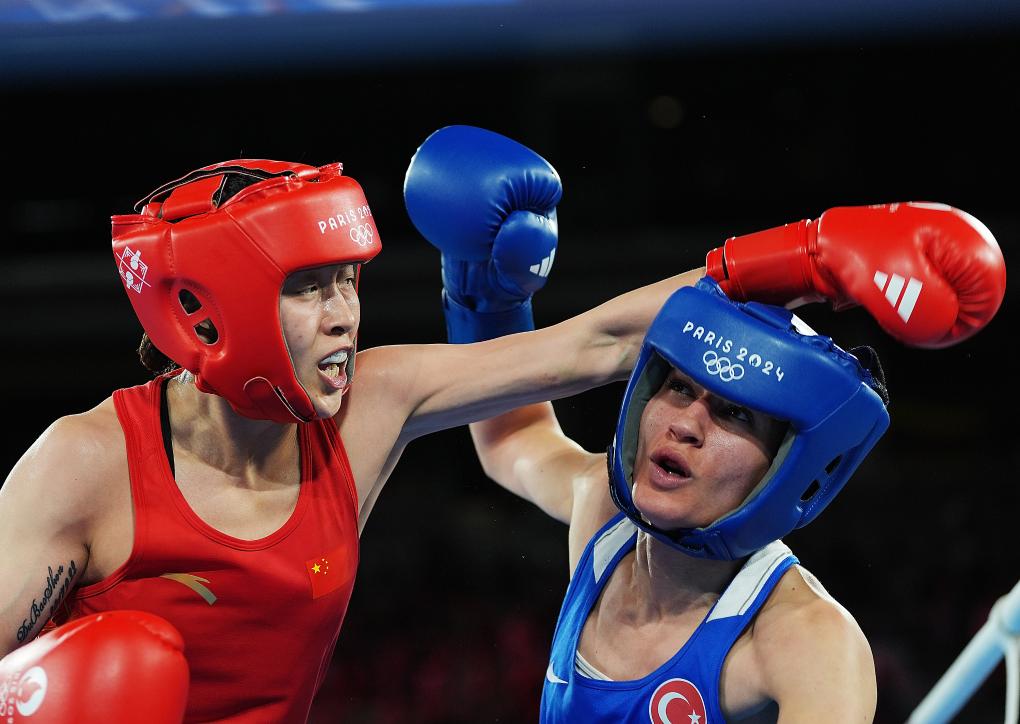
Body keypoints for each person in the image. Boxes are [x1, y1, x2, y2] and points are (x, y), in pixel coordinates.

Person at [0, 128, 700, 724]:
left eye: (346, 280)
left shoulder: (371, 405)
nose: (343, 315)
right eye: (307, 286)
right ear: (204, 311)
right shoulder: (87, 462)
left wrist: (790, 260)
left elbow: (597, 345)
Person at [418, 181, 1007, 719]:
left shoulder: (806, 642)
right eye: (678, 388)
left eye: (733, 412)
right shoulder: (606, 521)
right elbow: (514, 442)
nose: (686, 425)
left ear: (783, 466)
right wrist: (485, 300)